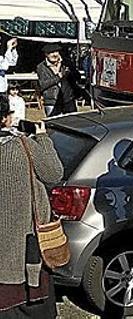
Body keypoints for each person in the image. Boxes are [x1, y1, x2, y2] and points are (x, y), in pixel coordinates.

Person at [0, 97, 62, 318]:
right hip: (25, 247)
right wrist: (43, 138)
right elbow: (54, 173)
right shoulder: (24, 146)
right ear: (6, 119)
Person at [36, 44, 80, 117]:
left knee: (72, 122)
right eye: (51, 53)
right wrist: (58, 77)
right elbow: (42, 85)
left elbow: (77, 77)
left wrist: (70, 71)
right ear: (46, 54)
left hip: (68, 100)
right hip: (52, 101)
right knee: (54, 124)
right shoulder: (41, 67)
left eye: (56, 52)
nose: (54, 55)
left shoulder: (66, 63)